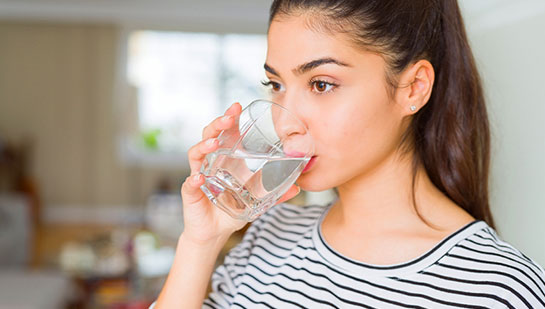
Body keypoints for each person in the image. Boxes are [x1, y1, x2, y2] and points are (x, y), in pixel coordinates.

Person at [153, 0, 545, 308]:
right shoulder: (270, 233)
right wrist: (200, 243)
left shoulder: (496, 289)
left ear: (413, 88)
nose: (285, 122)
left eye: (321, 84)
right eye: (275, 84)